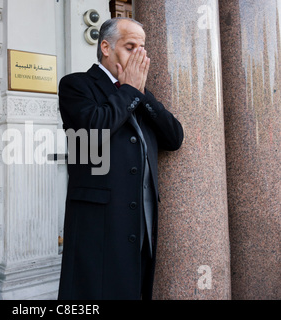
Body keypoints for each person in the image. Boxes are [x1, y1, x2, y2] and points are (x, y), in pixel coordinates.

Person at [58, 17, 184, 300]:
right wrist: (128, 90)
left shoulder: (138, 92)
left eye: (143, 48)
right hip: (99, 223)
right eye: (130, 47)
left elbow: (174, 138)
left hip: (142, 220)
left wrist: (140, 93)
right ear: (106, 47)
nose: (139, 56)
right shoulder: (76, 85)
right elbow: (92, 129)